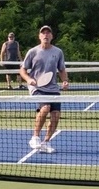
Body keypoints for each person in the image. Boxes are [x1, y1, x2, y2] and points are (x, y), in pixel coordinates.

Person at [19, 25, 70, 153]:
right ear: (39, 36)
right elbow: (23, 70)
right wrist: (28, 79)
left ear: (52, 36)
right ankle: (35, 137)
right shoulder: (33, 52)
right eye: (43, 33)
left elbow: (62, 69)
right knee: (45, 108)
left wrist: (65, 81)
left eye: (48, 33)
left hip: (53, 88)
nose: (46, 35)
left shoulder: (58, 52)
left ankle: (45, 142)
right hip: (37, 87)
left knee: (56, 115)